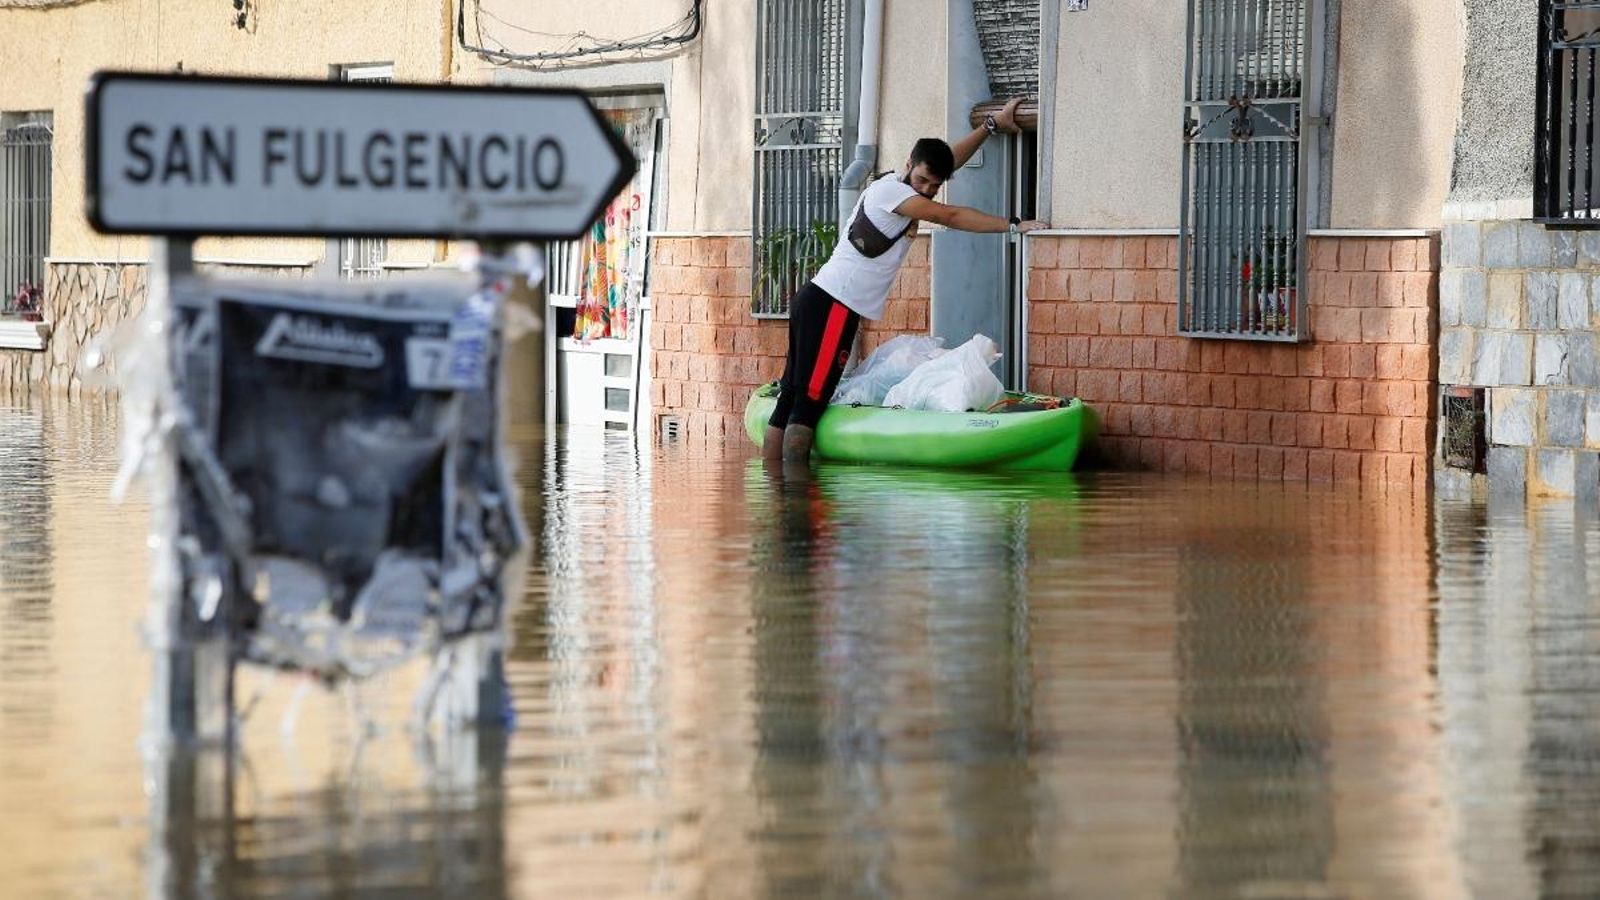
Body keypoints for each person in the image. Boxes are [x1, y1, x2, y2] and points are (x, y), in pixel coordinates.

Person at [762, 97, 1048, 464]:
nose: (927, 190)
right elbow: (951, 215)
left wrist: (989, 127)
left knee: (791, 394)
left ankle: (774, 490)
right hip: (834, 305)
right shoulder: (893, 194)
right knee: (809, 402)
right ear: (908, 165)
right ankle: (795, 497)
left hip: (820, 299)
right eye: (922, 180)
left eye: (934, 185)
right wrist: (1013, 225)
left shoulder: (896, 185)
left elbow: (947, 161)